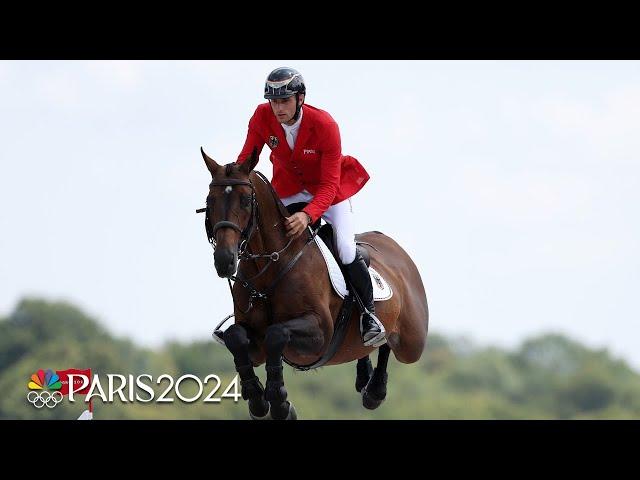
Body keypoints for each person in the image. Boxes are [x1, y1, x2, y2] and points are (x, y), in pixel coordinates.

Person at [234, 66, 386, 347]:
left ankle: (368, 316)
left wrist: (308, 215)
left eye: (284, 101)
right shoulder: (261, 116)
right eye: (273, 101)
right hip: (287, 191)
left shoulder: (325, 125)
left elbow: (330, 184)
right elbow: (248, 158)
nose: (277, 108)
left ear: (300, 98)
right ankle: (245, 317)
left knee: (345, 248)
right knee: (264, 239)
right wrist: (230, 178)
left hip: (328, 194)